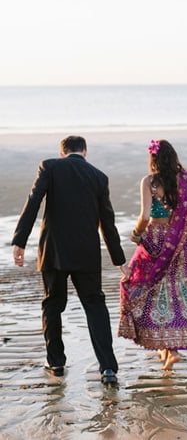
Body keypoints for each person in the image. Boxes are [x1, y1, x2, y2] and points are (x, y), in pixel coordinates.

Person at [11, 135, 127, 385]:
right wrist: (119, 259)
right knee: (95, 306)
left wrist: (20, 241)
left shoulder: (49, 167)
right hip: (87, 253)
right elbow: (107, 221)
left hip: (54, 251)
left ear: (62, 152)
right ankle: (108, 367)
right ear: (85, 151)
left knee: (52, 305)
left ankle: (56, 362)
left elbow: (33, 202)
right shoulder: (98, 176)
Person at [118, 139, 187, 370]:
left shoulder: (150, 181)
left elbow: (143, 216)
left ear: (153, 159)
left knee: (140, 285)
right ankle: (169, 349)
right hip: (178, 243)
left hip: (154, 240)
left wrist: (136, 235)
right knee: (175, 289)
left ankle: (166, 348)